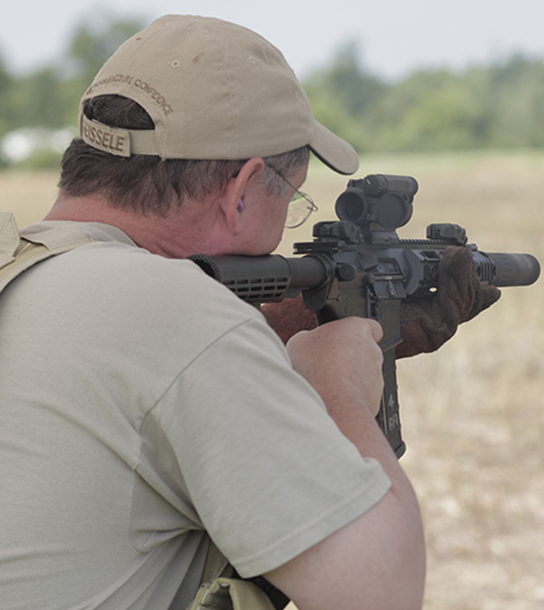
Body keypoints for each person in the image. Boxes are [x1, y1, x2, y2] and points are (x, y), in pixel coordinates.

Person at [0, 14, 495, 610]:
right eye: (291, 196)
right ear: (242, 189)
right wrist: (333, 385)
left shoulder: (24, 268)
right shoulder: (178, 313)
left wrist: (267, 333)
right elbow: (379, 589)